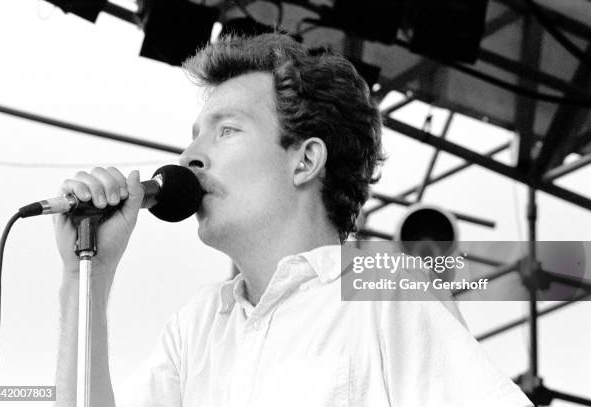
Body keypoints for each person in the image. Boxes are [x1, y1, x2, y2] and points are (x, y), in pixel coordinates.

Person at [53, 33, 531, 406]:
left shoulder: (386, 289)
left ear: (304, 162)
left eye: (227, 130)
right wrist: (84, 279)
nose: (190, 155)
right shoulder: (197, 327)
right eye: (194, 136)